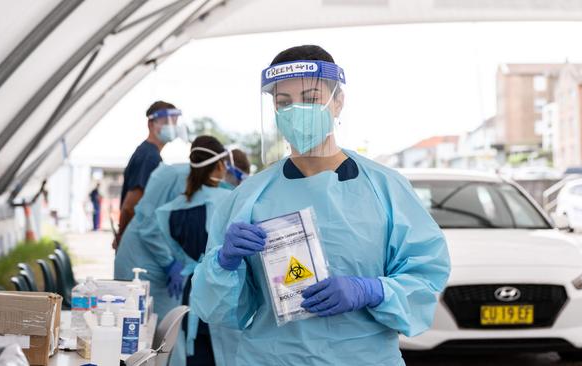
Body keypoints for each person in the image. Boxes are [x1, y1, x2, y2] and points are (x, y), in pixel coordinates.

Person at [190, 45, 451, 365]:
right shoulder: (250, 197)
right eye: (283, 103)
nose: (295, 112)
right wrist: (224, 264)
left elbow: (425, 276)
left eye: (311, 99)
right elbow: (221, 309)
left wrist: (372, 290)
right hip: (271, 357)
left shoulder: (384, 188)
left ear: (338, 102)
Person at [153, 136, 232, 366]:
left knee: (195, 352)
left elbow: (175, 247)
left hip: (191, 290)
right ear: (219, 165)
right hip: (221, 290)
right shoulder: (229, 200)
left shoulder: (175, 208)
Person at [113, 100, 185, 250]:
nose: (172, 127)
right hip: (135, 243)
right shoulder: (148, 157)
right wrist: (122, 237)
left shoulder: (150, 154)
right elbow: (130, 206)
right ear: (151, 124)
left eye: (174, 122)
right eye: (166, 122)